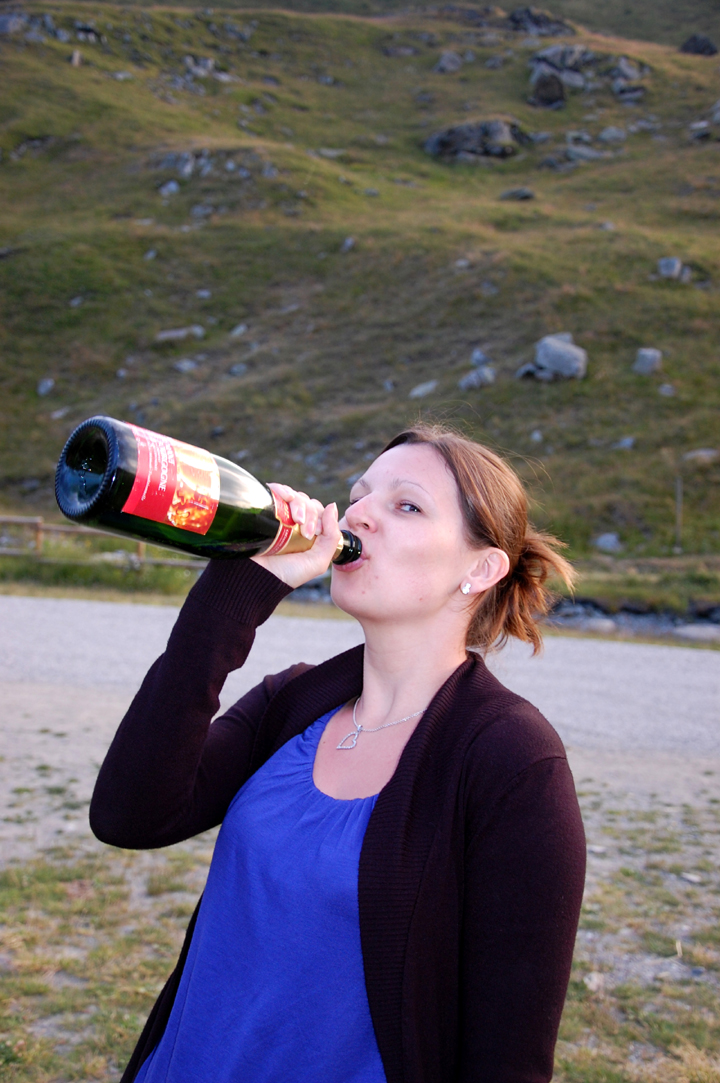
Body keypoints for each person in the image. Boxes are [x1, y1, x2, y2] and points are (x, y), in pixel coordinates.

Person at [90, 423, 586, 1083]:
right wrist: (235, 594)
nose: (359, 515)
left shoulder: (512, 762)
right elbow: (128, 814)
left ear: (481, 569)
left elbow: (508, 1060)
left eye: (406, 505)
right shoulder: (293, 702)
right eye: (358, 496)